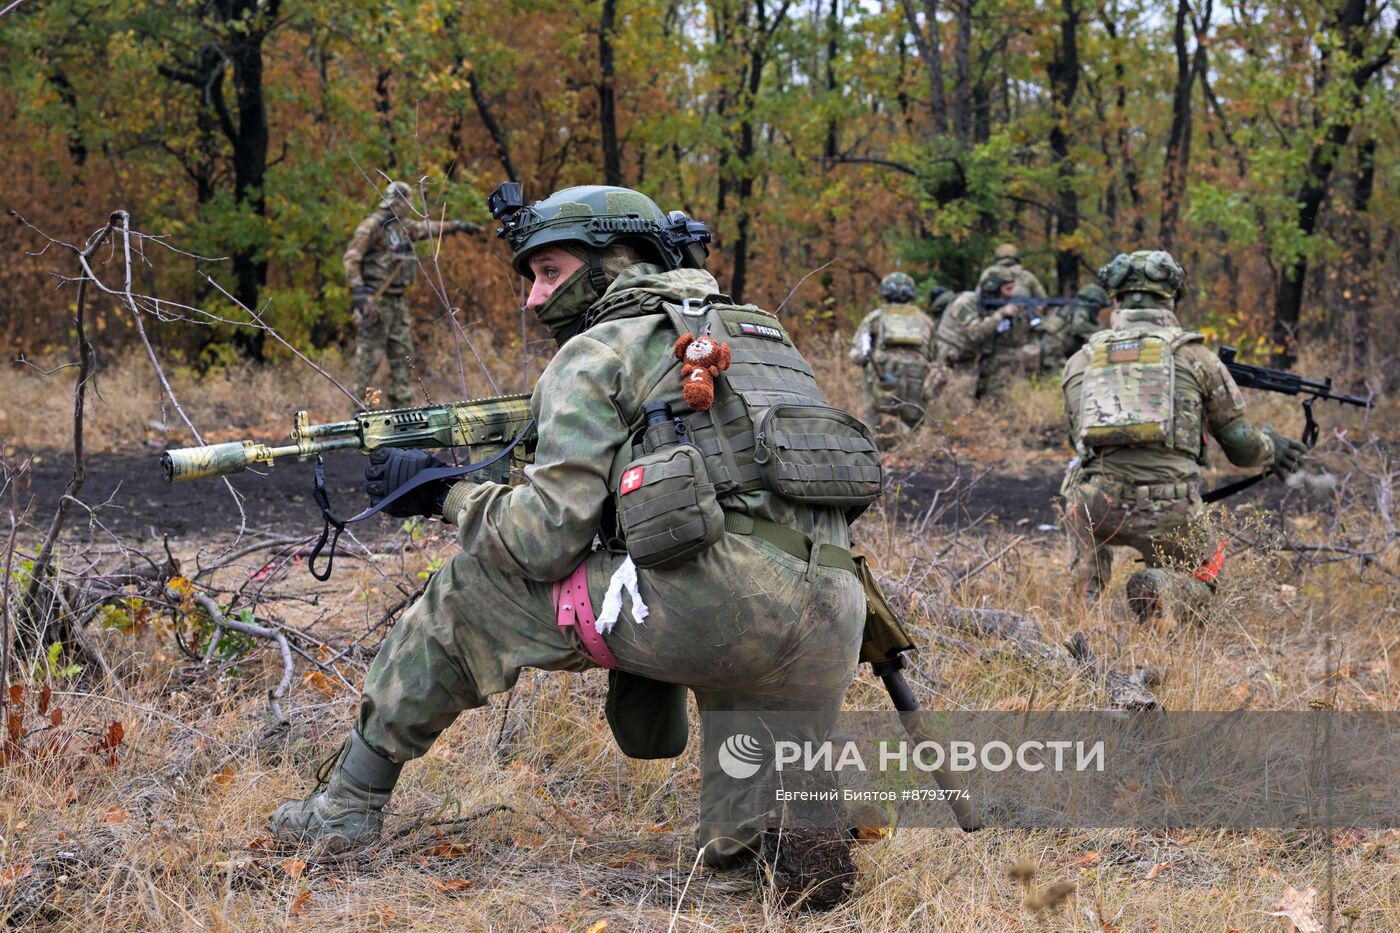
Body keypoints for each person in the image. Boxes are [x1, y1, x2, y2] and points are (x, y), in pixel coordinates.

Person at [274, 184, 877, 910]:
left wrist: (446, 494)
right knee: (734, 857)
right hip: (835, 616)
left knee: (466, 593)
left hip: (722, 610)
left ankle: (342, 808)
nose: (533, 298)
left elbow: (540, 539)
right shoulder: (759, 335)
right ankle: (781, 827)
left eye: (549, 272)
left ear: (611, 262)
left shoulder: (599, 348)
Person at [1060, 250, 1307, 621]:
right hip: (1170, 508)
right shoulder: (1198, 358)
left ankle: (1085, 605)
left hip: (1099, 504)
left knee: (1078, 496)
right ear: (1172, 297)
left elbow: (1078, 442)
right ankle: (1163, 587)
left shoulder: (1081, 360)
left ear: (1115, 299)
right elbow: (1242, 449)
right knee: (1204, 581)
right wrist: (1273, 446)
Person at [344, 180, 480, 409]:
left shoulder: (402, 227)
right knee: (369, 360)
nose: (410, 204)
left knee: (403, 359)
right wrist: (358, 293)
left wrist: (457, 225)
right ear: (399, 200)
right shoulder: (373, 226)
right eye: (407, 200)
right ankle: (360, 414)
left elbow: (429, 228)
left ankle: (402, 414)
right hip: (376, 301)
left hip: (397, 303)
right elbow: (351, 258)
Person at [849, 272, 937, 445]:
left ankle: (873, 443)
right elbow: (934, 353)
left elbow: (858, 353)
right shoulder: (925, 320)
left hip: (881, 370)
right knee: (913, 413)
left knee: (872, 408)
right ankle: (911, 446)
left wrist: (867, 362)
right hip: (916, 371)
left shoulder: (875, 317)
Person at [935, 267, 1040, 399]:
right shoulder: (965, 302)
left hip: (970, 359)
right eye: (1008, 289)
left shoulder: (993, 307)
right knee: (953, 401)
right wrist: (1001, 314)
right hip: (949, 359)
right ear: (992, 288)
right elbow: (975, 333)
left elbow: (1010, 340)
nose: (1011, 293)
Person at [1039, 282, 1110, 372]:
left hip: (1051, 346)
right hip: (1053, 348)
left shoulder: (1071, 306)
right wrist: (1099, 332)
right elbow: (1078, 326)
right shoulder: (1081, 308)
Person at [976, 242, 1046, 298]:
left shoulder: (988, 272)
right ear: (1016, 257)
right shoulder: (1026, 275)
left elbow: (977, 296)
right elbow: (1043, 299)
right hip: (1020, 313)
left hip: (992, 314)